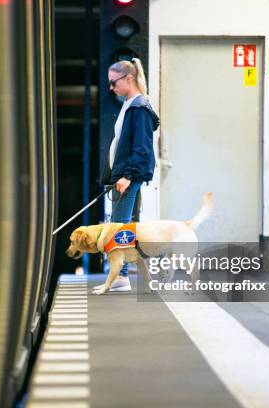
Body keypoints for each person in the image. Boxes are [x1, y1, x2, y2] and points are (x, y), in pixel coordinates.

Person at [97, 57, 160, 292]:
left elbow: (142, 148)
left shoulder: (139, 107)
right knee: (128, 225)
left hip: (127, 176)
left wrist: (127, 176)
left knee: (119, 226)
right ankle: (133, 273)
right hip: (124, 174)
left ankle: (121, 275)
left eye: (113, 83)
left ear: (129, 78)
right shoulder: (129, 104)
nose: (111, 88)